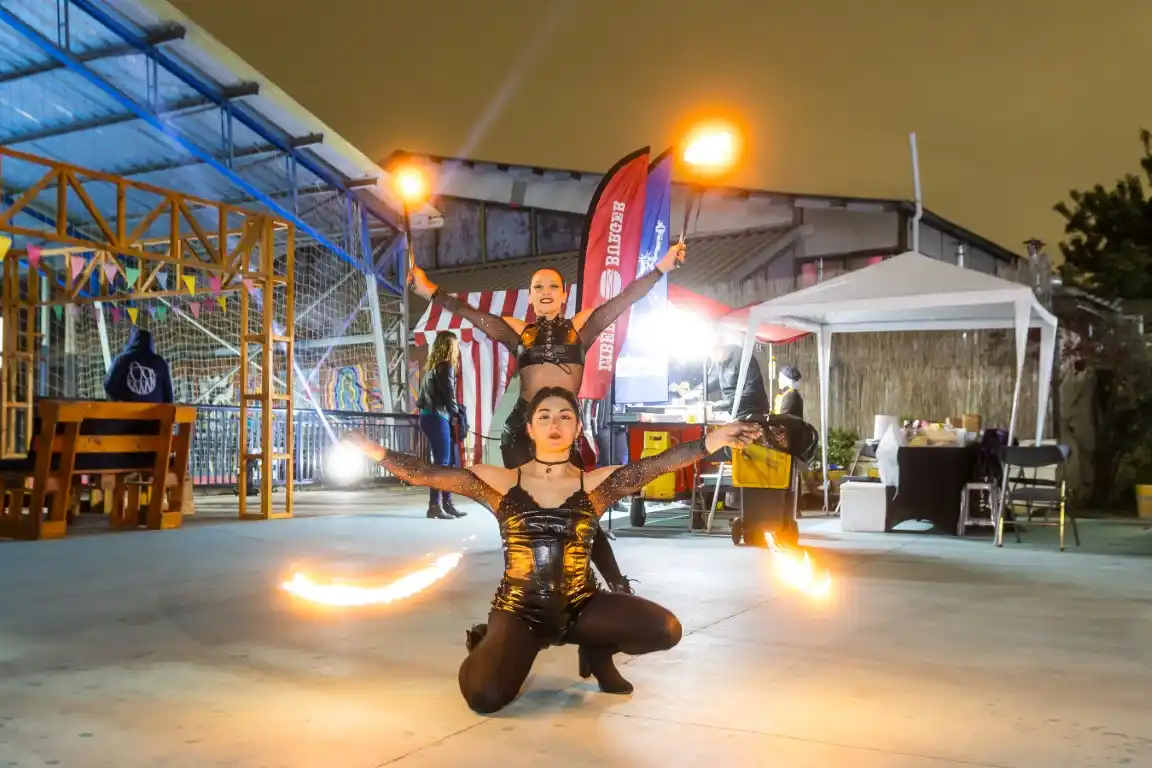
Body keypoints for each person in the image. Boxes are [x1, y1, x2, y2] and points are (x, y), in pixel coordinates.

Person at [346, 387, 761, 714]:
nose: (555, 423)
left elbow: (656, 465)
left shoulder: (596, 483)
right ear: (530, 429)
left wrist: (713, 440)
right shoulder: (499, 480)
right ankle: (488, 642)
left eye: (565, 416)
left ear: (578, 428)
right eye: (544, 416)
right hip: (519, 612)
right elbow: (430, 474)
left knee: (665, 629)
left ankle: (596, 647)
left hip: (582, 605)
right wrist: (374, 451)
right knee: (484, 697)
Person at [408, 242, 688, 594]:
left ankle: (617, 585)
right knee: (525, 515)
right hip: (520, 434)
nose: (545, 291)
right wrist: (430, 291)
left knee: (581, 510)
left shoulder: (581, 327)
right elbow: (472, 314)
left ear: (563, 294)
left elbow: (624, 300)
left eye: (553, 286)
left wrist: (661, 268)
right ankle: (530, 589)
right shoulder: (518, 331)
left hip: (560, 435)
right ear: (529, 296)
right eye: (538, 286)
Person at [415, 332, 468, 520]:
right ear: (449, 346)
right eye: (455, 345)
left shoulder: (432, 368)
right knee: (442, 463)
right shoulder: (446, 367)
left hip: (430, 417)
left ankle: (446, 503)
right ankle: (435, 505)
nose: (457, 349)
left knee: (446, 462)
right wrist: (458, 415)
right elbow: (449, 395)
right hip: (437, 417)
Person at [703, 337, 770, 421]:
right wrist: (696, 392)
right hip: (733, 410)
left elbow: (753, 388)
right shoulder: (720, 361)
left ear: (721, 347)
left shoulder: (743, 357)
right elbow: (714, 380)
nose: (712, 357)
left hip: (751, 411)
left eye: (713, 353)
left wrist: (727, 403)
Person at [104, 325, 174, 404]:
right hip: (155, 410)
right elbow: (169, 395)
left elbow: (109, 385)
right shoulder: (160, 362)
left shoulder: (121, 359)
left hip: (127, 409)